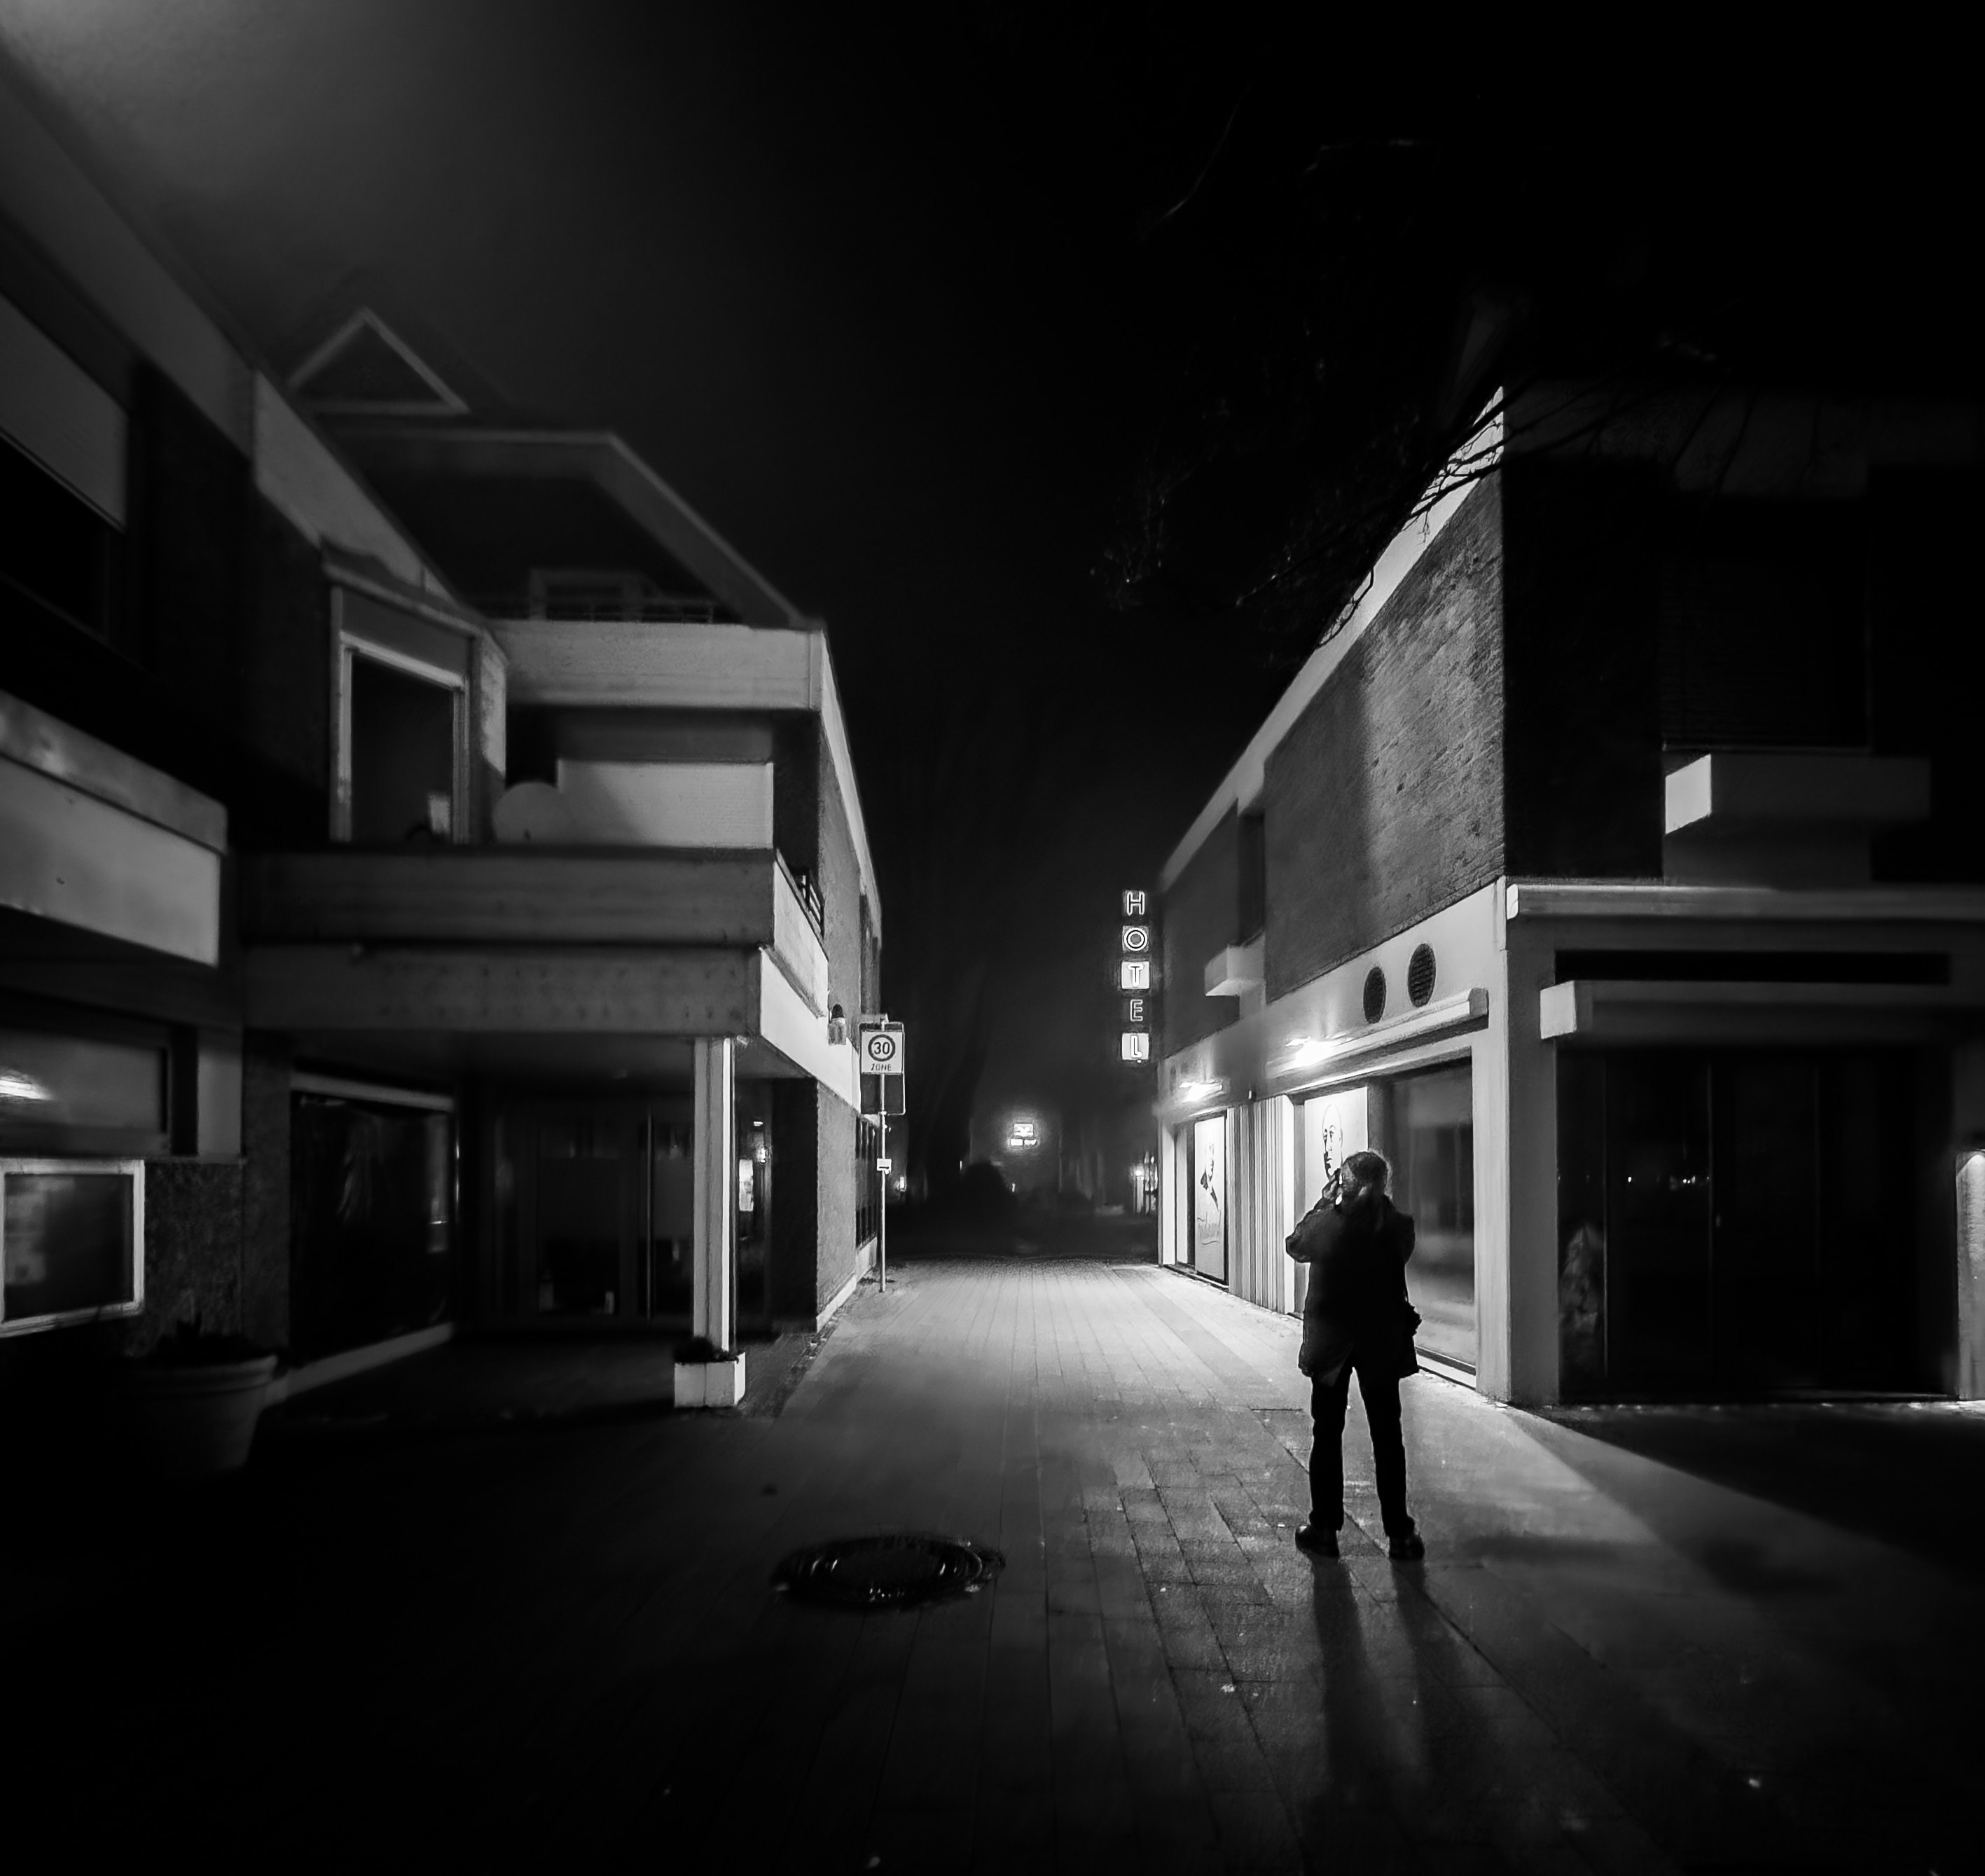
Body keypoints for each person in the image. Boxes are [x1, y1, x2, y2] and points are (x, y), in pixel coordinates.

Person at [1284, 1148, 1424, 1561]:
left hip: (1333, 1345)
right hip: (1381, 1342)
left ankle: (1325, 1530)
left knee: (1328, 1433)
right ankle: (1400, 1535)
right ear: (1384, 1185)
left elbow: (1297, 1245)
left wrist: (1326, 1202)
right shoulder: (1398, 1225)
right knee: (1388, 1436)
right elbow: (1397, 1251)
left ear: (1343, 1184)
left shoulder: (1329, 1223)